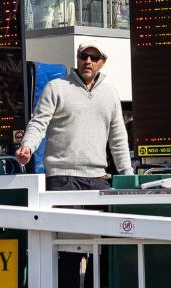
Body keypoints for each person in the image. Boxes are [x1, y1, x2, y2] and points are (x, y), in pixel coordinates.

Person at [15, 44, 133, 287]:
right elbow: (39, 123)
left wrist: (128, 175)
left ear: (102, 62)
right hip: (62, 178)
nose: (88, 61)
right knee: (68, 251)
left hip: (98, 179)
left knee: (100, 250)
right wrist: (28, 147)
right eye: (83, 56)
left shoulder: (110, 94)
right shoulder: (56, 87)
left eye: (94, 57)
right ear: (77, 59)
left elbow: (119, 138)